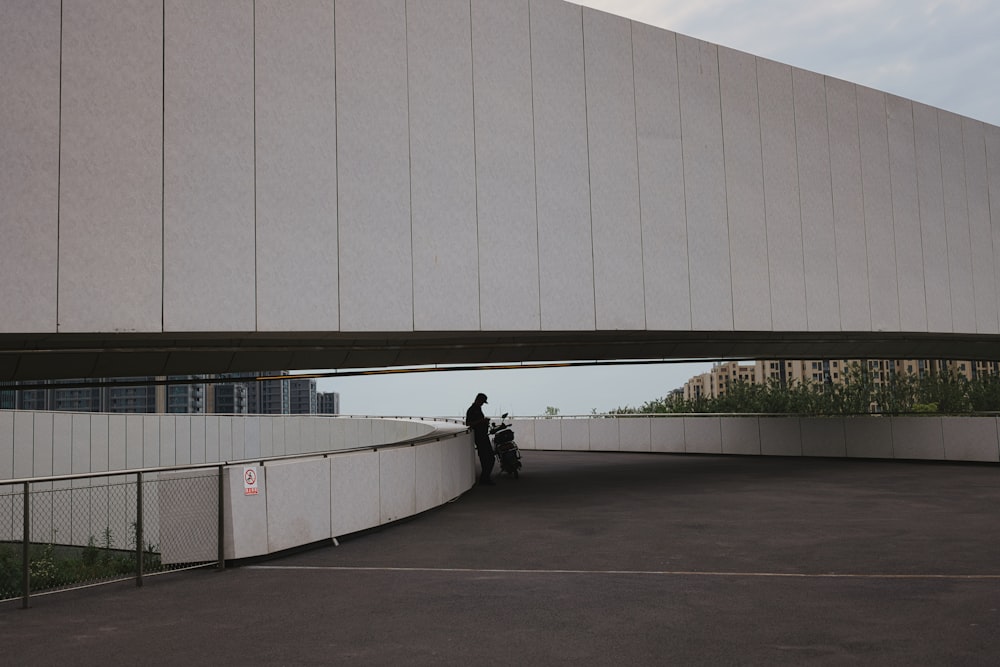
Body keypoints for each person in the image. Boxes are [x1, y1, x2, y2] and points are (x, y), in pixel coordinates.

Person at [465, 392, 494, 485]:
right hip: (479, 437)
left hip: (483, 436)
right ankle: (484, 479)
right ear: (478, 400)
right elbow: (468, 423)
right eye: (482, 402)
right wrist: (482, 421)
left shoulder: (478, 408)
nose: (482, 404)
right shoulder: (472, 410)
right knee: (487, 458)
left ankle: (485, 478)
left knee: (488, 458)